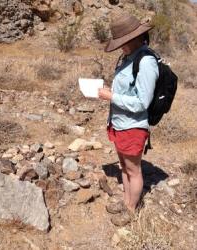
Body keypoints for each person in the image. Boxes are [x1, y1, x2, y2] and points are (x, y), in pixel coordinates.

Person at [98, 14, 159, 221]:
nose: (120, 47)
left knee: (133, 170)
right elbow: (128, 91)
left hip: (133, 126)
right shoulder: (128, 58)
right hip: (120, 123)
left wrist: (111, 96)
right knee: (124, 166)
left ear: (135, 38)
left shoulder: (146, 62)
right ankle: (126, 202)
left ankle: (131, 211)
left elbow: (142, 102)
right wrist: (110, 91)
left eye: (123, 43)